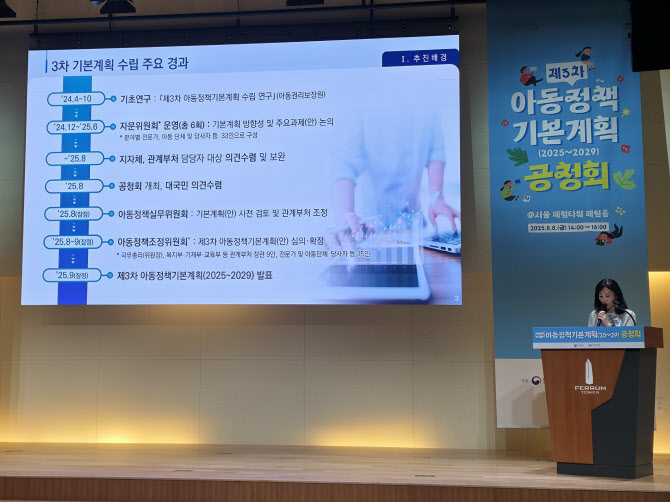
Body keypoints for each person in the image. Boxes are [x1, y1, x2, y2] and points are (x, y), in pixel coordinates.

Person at [328, 99, 460, 249]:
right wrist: (346, 216)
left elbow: (435, 151)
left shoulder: (428, 101)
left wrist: (437, 199)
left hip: (415, 228)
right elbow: (345, 164)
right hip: (372, 231)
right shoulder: (363, 101)